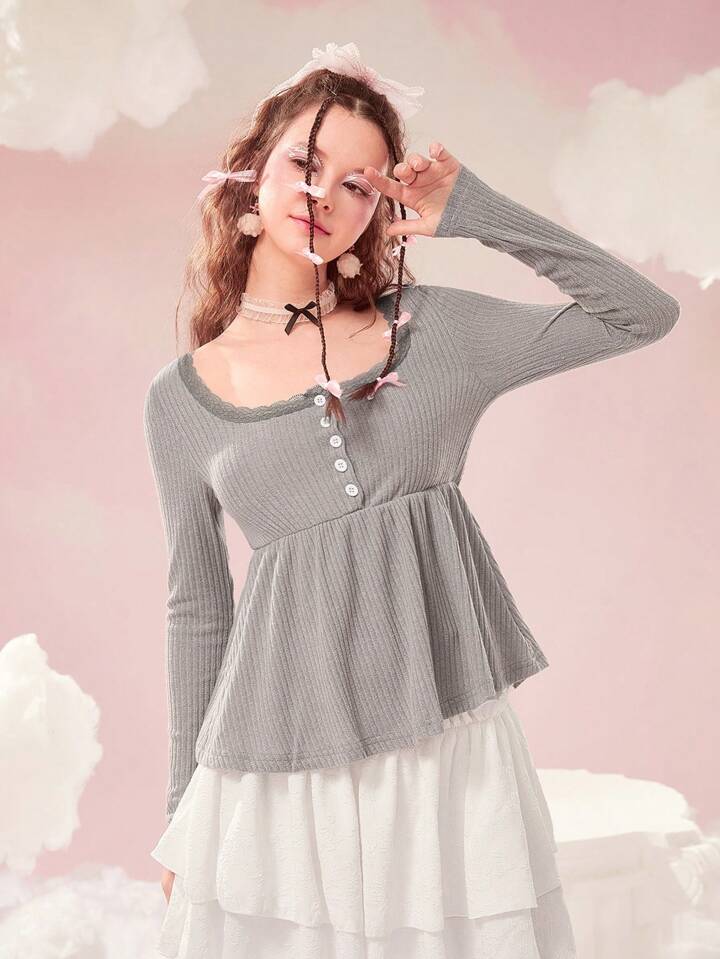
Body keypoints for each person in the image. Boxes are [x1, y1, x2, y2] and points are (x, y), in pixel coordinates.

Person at [143, 41, 679, 958]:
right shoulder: (179, 400)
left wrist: (475, 211)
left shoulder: (431, 336)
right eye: (306, 163)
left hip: (446, 747)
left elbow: (639, 312)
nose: (322, 194)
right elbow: (198, 609)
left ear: (379, 211)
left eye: (357, 184)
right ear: (252, 174)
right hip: (278, 770)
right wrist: (183, 807)